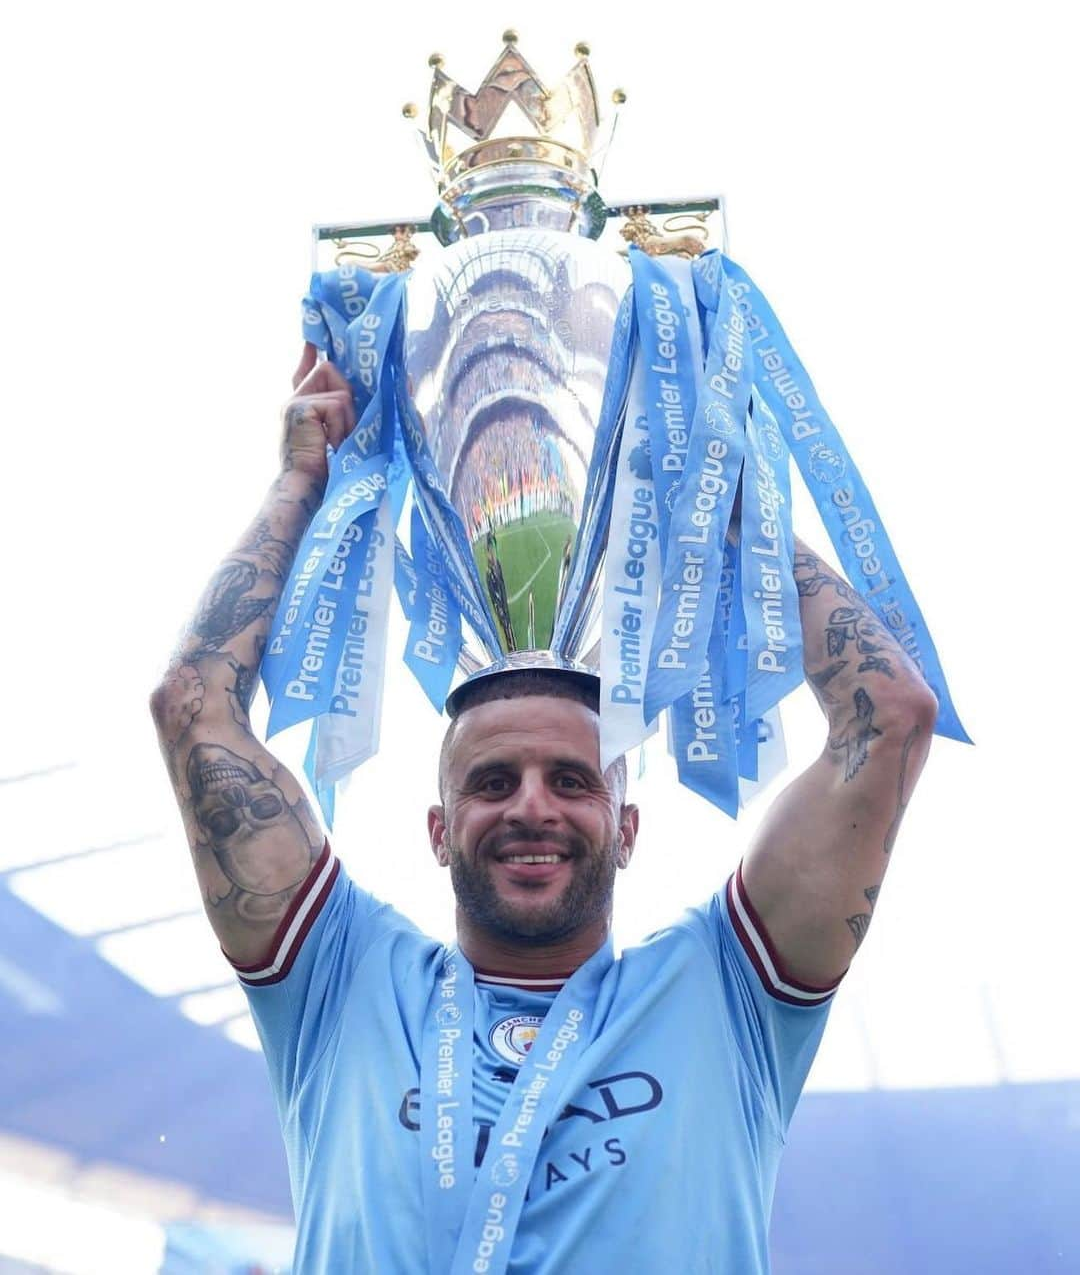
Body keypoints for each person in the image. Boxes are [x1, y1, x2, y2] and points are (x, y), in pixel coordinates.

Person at [151, 346, 938, 1273]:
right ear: (439, 832)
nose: (533, 807)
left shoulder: (725, 993)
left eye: (573, 780)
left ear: (627, 826)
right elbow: (193, 706)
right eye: (492, 783)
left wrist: (725, 507)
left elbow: (887, 716)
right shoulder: (342, 981)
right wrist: (300, 483)